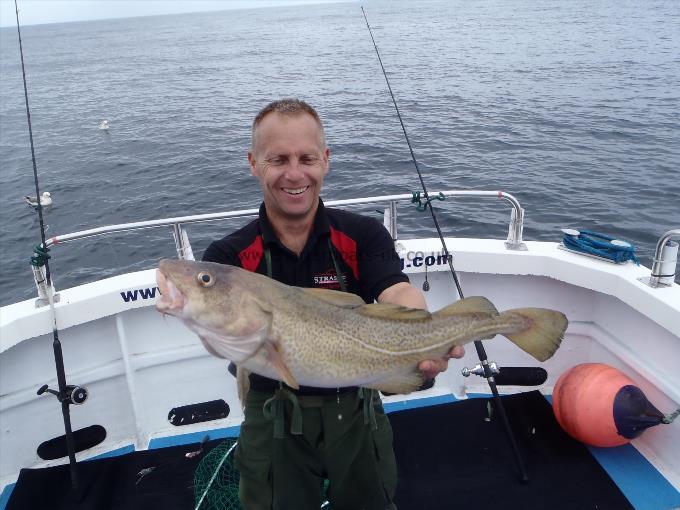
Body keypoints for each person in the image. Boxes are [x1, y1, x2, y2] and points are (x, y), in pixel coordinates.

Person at [202, 98, 464, 510]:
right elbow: (220, 335)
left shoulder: (362, 234)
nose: (294, 173)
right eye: (278, 160)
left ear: (325, 160)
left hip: (356, 407)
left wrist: (427, 333)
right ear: (254, 163)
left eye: (306, 158)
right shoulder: (229, 257)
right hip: (272, 414)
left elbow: (395, 290)